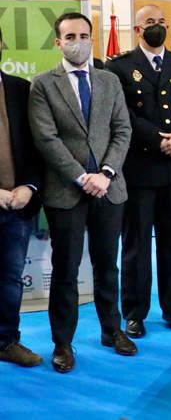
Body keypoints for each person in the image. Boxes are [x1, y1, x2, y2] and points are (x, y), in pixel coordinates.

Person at [28, 13, 136, 372]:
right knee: (65, 269)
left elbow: (122, 130)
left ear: (93, 38)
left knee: (108, 265)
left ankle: (112, 329)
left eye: (84, 35)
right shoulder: (43, 84)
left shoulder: (109, 81)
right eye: (70, 35)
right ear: (58, 42)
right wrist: (80, 176)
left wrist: (105, 173)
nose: (78, 41)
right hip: (66, 192)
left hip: (109, 189)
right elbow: (46, 139)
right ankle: (62, 342)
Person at [106, 4, 171, 338]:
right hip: (139, 168)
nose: (157, 27)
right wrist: (158, 139)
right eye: (149, 23)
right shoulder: (121, 67)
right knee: (136, 245)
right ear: (137, 30)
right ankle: (135, 313)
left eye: (161, 22)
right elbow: (121, 114)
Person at [0, 27, 42, 368]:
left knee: (10, 279)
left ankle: (7, 341)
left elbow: (36, 149)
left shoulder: (20, 89)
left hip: (17, 205)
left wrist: (28, 187)